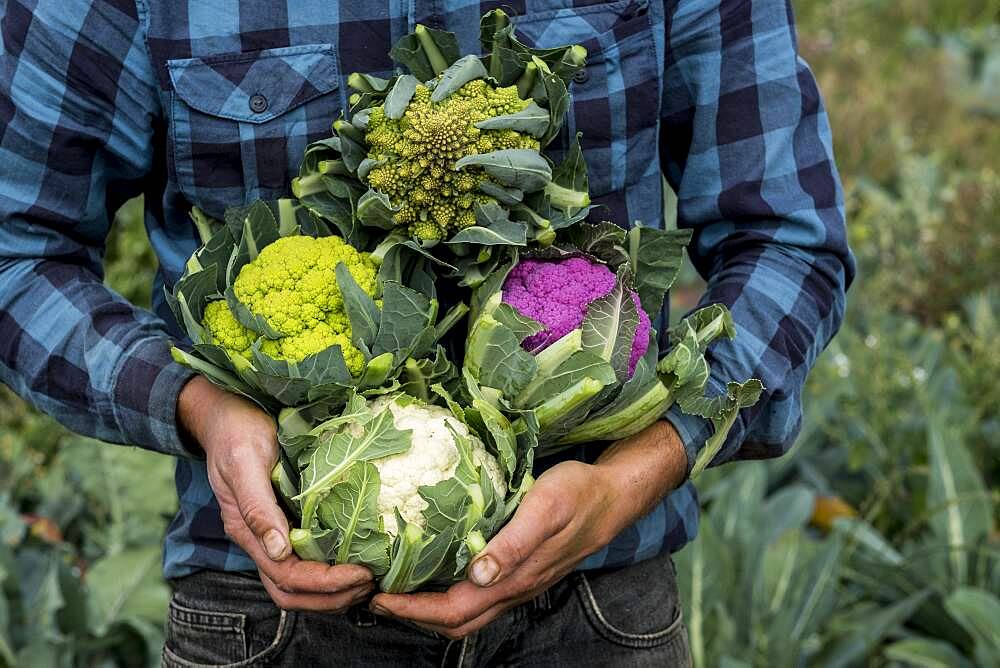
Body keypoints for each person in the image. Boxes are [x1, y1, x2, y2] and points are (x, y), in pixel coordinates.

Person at [0, 1, 853, 665]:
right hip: (272, 617)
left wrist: (632, 477)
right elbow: (17, 251)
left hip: (594, 612)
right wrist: (198, 406)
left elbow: (787, 238)